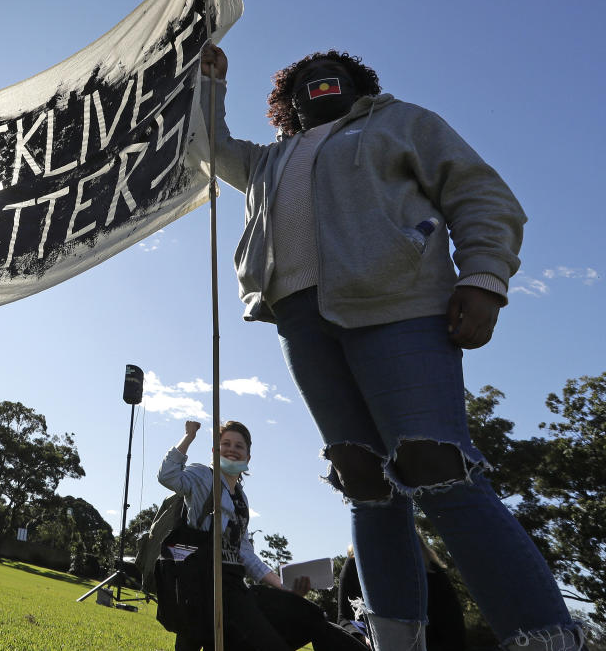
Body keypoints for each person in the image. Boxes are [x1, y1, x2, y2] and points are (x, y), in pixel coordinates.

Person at [198, 42, 586, 651]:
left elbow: (479, 191)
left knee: (437, 464)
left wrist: (484, 275)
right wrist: (210, 85)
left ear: (360, 86)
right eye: (304, 79)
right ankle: (397, 641)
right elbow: (208, 148)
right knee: (363, 480)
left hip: (398, 305)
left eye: (335, 74)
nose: (320, 80)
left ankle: (545, 637)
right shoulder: (269, 160)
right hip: (301, 323)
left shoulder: (403, 122)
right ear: (286, 103)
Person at [158, 419, 368, 651]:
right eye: (225, 443)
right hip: (199, 584)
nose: (232, 449)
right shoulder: (203, 476)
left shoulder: (241, 498)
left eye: (239, 446)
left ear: (248, 458)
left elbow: (246, 554)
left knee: (308, 615)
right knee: (193, 638)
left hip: (233, 588)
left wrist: (282, 585)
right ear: (215, 451)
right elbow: (167, 476)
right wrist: (188, 437)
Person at [338, 538, 467, 651]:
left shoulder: (431, 572)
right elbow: (344, 619)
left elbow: (454, 634)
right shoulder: (354, 566)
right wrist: (362, 637)